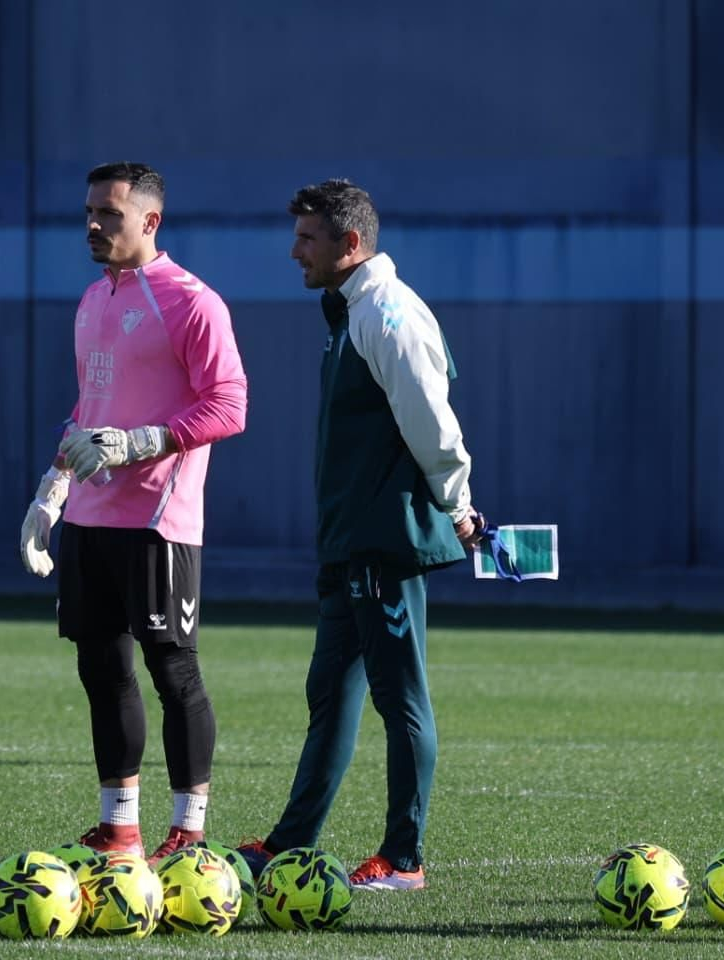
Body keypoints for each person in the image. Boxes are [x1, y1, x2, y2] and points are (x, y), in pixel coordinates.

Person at [237, 179, 483, 891]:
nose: (294, 252)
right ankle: (290, 843)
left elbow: (435, 429)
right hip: (349, 543)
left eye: (307, 239)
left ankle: (404, 860)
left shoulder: (389, 315)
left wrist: (461, 508)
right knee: (330, 694)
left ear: (349, 244)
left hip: (384, 544)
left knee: (401, 697)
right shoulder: (351, 312)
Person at [18, 161, 248, 862]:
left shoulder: (192, 302)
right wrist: (51, 490)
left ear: (150, 221)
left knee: (173, 670)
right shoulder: (92, 300)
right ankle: (120, 828)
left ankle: (189, 832)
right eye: (88, 212)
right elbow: (90, 411)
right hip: (90, 518)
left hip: (157, 522)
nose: (92, 225)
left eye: (108, 215)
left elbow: (229, 406)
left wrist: (145, 442)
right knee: (100, 669)